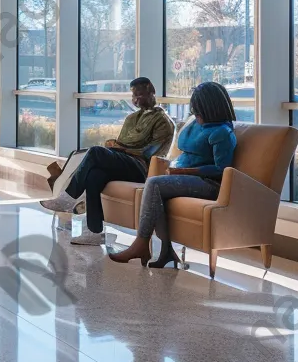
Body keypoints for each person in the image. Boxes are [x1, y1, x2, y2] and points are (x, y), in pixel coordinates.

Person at [108, 81, 237, 268]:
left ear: (211, 108)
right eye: (194, 110)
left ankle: (141, 243)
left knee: (154, 184)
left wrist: (185, 171)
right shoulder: (198, 124)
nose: (195, 114)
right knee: (157, 192)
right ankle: (166, 251)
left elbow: (222, 170)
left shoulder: (222, 132)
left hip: (207, 183)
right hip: (186, 177)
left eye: (199, 110)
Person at [39, 77, 174, 246]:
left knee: (95, 151)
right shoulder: (131, 119)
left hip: (141, 167)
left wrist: (121, 149)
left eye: (140, 95)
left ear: (152, 92)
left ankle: (70, 196)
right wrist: (116, 146)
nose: (136, 99)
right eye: (134, 96)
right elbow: (124, 142)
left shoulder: (163, 121)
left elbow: (150, 152)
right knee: (94, 176)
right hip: (124, 162)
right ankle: (94, 232)